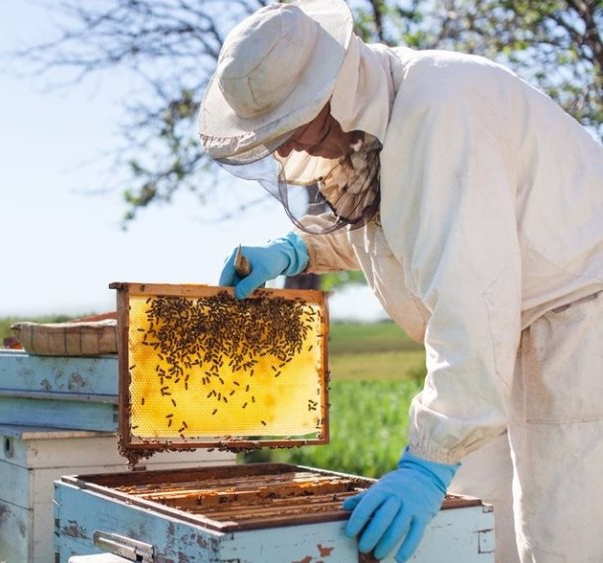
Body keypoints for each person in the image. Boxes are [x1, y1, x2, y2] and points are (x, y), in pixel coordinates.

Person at [198, 1, 603, 562]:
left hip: (578, 330)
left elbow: (472, 294)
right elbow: (398, 230)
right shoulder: (375, 125)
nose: (288, 149)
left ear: (331, 90)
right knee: (476, 529)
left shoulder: (440, 111)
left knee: (564, 543)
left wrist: (427, 463)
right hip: (506, 337)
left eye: (292, 127)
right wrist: (295, 249)